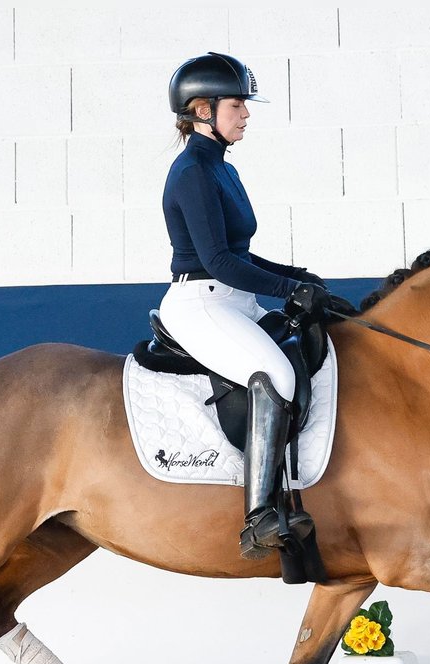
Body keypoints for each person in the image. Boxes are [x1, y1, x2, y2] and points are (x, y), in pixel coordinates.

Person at [161, 51, 334, 561]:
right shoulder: (192, 171)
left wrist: (297, 277)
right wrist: (286, 290)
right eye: (238, 104)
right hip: (201, 302)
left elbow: (239, 254)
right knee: (275, 376)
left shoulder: (220, 169)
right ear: (202, 110)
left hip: (233, 298)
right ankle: (259, 516)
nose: (247, 114)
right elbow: (216, 260)